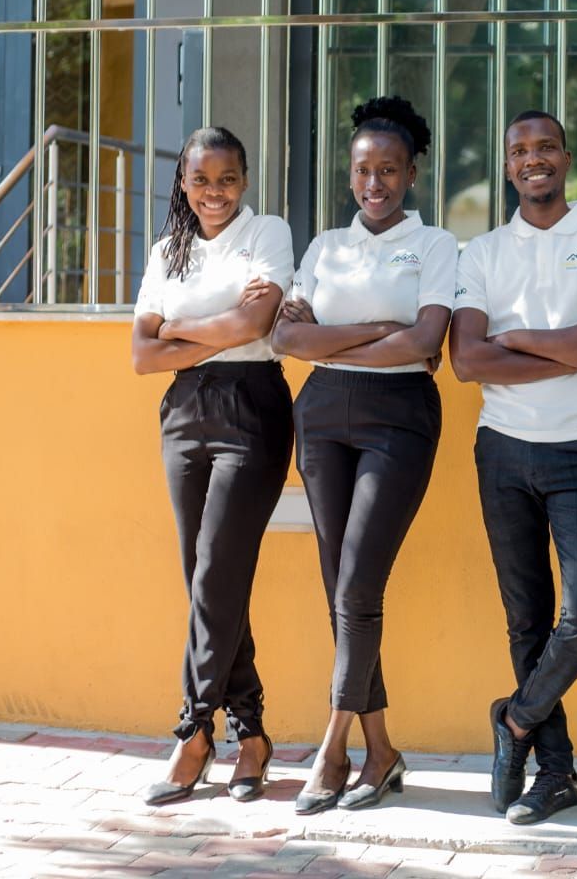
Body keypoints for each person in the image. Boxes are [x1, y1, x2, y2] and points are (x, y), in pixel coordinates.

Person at [449, 110, 577, 825]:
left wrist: (517, 337)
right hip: (501, 448)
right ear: (507, 165)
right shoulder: (483, 252)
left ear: (566, 157)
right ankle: (556, 773)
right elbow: (468, 359)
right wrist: (570, 341)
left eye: (546, 148)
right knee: (526, 619)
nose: (533, 159)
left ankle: (516, 721)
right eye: (519, 150)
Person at [271, 97, 456, 814]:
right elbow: (289, 343)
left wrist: (342, 334)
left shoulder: (436, 245)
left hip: (399, 419)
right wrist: (383, 325)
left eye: (388, 169)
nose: (373, 182)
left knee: (355, 588)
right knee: (341, 590)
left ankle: (333, 744)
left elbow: (423, 343)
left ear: (411, 173)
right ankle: (381, 752)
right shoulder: (325, 247)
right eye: (361, 169)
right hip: (320, 416)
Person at [131, 126, 294, 805]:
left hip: (251, 407)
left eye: (226, 179)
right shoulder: (168, 249)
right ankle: (251, 732)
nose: (214, 193)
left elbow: (255, 327)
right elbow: (141, 356)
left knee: (216, 574)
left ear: (244, 181)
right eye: (201, 180)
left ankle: (195, 730)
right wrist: (212, 327)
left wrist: (176, 330)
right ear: (183, 183)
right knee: (205, 580)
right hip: (182, 417)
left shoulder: (269, 233)